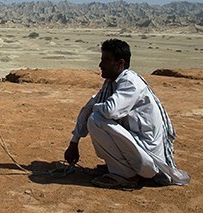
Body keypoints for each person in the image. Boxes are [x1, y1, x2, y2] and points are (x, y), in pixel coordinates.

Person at [63, 38, 190, 189]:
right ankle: (120, 168)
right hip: (139, 153)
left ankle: (127, 175)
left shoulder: (130, 83)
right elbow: (90, 106)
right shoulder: (111, 83)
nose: (100, 65)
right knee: (95, 114)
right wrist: (74, 142)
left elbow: (110, 110)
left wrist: (95, 108)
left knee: (96, 119)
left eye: (106, 60)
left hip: (149, 159)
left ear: (120, 63)